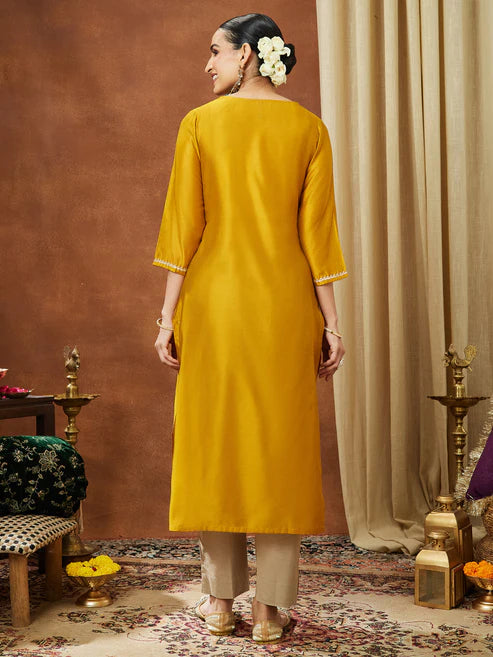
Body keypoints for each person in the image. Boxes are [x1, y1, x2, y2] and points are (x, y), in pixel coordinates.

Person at [154, 13, 347, 644]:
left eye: (215, 51)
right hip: (284, 306)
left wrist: (167, 317)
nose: (207, 64)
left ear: (245, 55)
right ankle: (270, 610)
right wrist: (333, 323)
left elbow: (183, 229)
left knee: (216, 441)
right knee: (279, 447)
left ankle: (218, 603)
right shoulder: (309, 129)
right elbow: (318, 238)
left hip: (214, 304)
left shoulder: (199, 124)